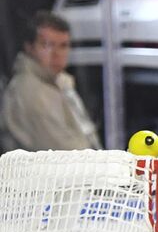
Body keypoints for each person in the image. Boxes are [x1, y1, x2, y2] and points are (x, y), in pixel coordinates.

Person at [0, 11, 100, 153]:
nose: (57, 54)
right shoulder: (29, 92)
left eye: (63, 45)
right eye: (47, 45)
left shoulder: (60, 82)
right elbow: (64, 153)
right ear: (29, 47)